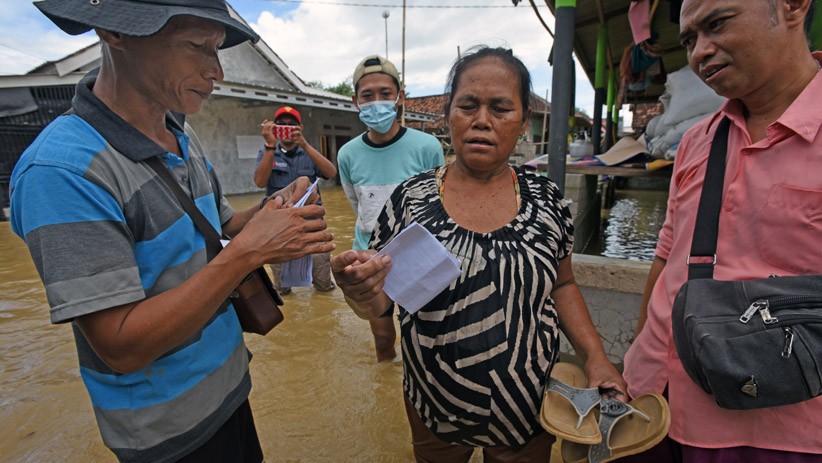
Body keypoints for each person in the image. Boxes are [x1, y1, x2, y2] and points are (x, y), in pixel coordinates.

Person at [9, 1, 334, 462]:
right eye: (197, 47)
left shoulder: (179, 130)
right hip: (167, 434)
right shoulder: (61, 172)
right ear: (114, 33)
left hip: (229, 389)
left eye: (217, 49)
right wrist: (249, 252)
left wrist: (275, 210)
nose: (216, 71)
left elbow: (218, 229)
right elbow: (121, 346)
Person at [331, 46, 626, 462]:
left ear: (524, 122)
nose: (481, 121)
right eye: (467, 105)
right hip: (433, 400)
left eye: (501, 109)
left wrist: (597, 358)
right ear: (448, 113)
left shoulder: (547, 200)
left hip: (528, 405)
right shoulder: (409, 200)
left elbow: (563, 283)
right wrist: (357, 291)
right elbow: (384, 302)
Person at [623, 0, 822, 461]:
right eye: (690, 39)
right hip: (657, 406)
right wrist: (637, 365)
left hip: (776, 427)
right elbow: (667, 258)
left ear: (792, 7)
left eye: (717, 24)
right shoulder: (696, 141)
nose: (699, 53)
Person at [337, 55, 444, 362]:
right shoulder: (347, 154)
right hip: (369, 260)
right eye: (367, 95)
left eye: (385, 93)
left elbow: (439, 206)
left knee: (425, 342)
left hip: (419, 258)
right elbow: (357, 206)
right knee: (383, 340)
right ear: (355, 100)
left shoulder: (427, 147)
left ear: (400, 97)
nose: (376, 102)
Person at [254, 106, 337, 294]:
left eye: (291, 125)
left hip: (312, 228)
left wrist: (305, 145)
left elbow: (331, 173)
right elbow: (260, 182)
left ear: (300, 127)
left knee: (324, 287)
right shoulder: (267, 152)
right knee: (282, 291)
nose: (286, 128)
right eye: (281, 124)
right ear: (274, 128)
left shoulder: (308, 151)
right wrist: (269, 145)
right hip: (278, 229)